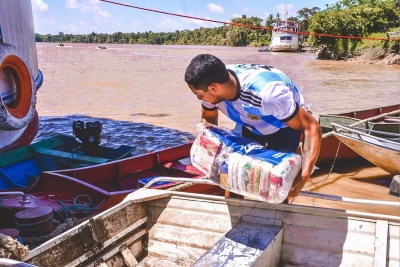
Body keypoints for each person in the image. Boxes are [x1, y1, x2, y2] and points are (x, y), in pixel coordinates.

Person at [184, 54, 322, 197]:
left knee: (276, 184)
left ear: (213, 88)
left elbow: (311, 127)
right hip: (249, 121)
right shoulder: (214, 86)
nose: (199, 99)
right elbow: (209, 122)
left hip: (283, 124)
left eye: (199, 95)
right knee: (231, 176)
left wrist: (303, 177)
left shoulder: (268, 95)